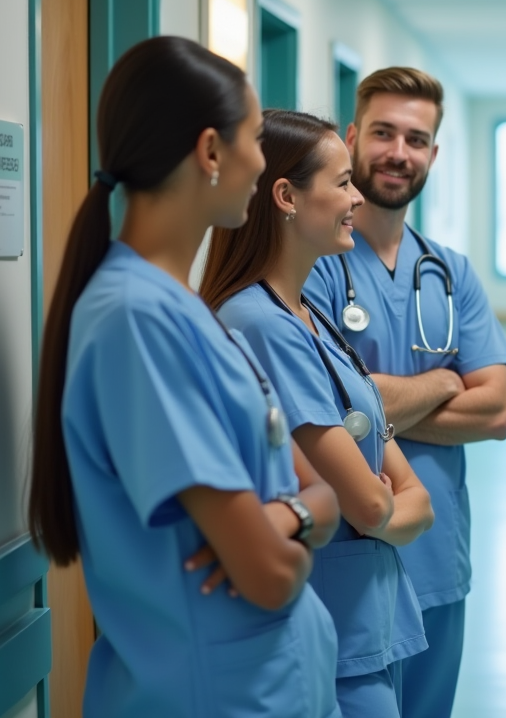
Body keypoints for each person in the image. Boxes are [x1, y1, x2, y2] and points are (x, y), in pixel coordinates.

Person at [27, 37, 342, 718]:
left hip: (265, 685)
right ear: (209, 152)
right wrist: (297, 526)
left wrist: (287, 515)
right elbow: (269, 572)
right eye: (255, 138)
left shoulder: (189, 312)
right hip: (212, 695)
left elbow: (323, 496)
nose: (262, 161)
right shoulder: (136, 321)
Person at [202, 110, 435, 717]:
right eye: (341, 183)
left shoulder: (309, 316)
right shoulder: (260, 324)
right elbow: (370, 502)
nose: (356, 197)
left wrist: (387, 504)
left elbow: (415, 503)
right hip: (326, 634)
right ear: (285, 196)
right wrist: (385, 503)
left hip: (364, 627)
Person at [304, 66, 506, 718]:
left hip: (436, 558)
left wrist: (368, 407)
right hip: (345, 562)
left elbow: (499, 412)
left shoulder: (450, 272)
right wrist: (446, 381)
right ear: (351, 136)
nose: (399, 152)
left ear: (433, 153)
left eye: (416, 139)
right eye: (384, 133)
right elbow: (318, 409)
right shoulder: (309, 267)